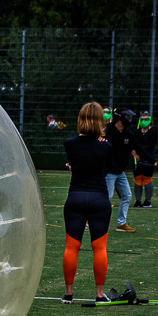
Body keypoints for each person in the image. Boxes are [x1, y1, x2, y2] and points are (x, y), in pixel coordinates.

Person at [62, 103, 112, 304]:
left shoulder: (69, 143)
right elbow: (104, 169)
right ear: (100, 120)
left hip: (75, 197)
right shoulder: (106, 146)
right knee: (99, 248)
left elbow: (76, 165)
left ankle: (68, 294)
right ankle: (99, 295)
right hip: (99, 198)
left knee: (71, 247)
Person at [103, 109, 136, 233]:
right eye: (127, 116)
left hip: (119, 172)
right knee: (107, 196)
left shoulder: (126, 134)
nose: (129, 119)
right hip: (110, 172)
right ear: (120, 118)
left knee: (127, 195)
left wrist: (152, 160)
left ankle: (121, 224)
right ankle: (91, 220)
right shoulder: (108, 131)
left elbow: (135, 146)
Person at [132, 111, 158, 208]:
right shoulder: (136, 132)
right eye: (142, 119)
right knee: (138, 178)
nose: (144, 121)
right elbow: (133, 144)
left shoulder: (153, 132)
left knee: (147, 178)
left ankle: (148, 201)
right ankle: (138, 201)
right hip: (137, 157)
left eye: (146, 119)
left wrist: (140, 151)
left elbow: (151, 145)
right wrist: (134, 152)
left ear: (150, 121)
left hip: (148, 156)